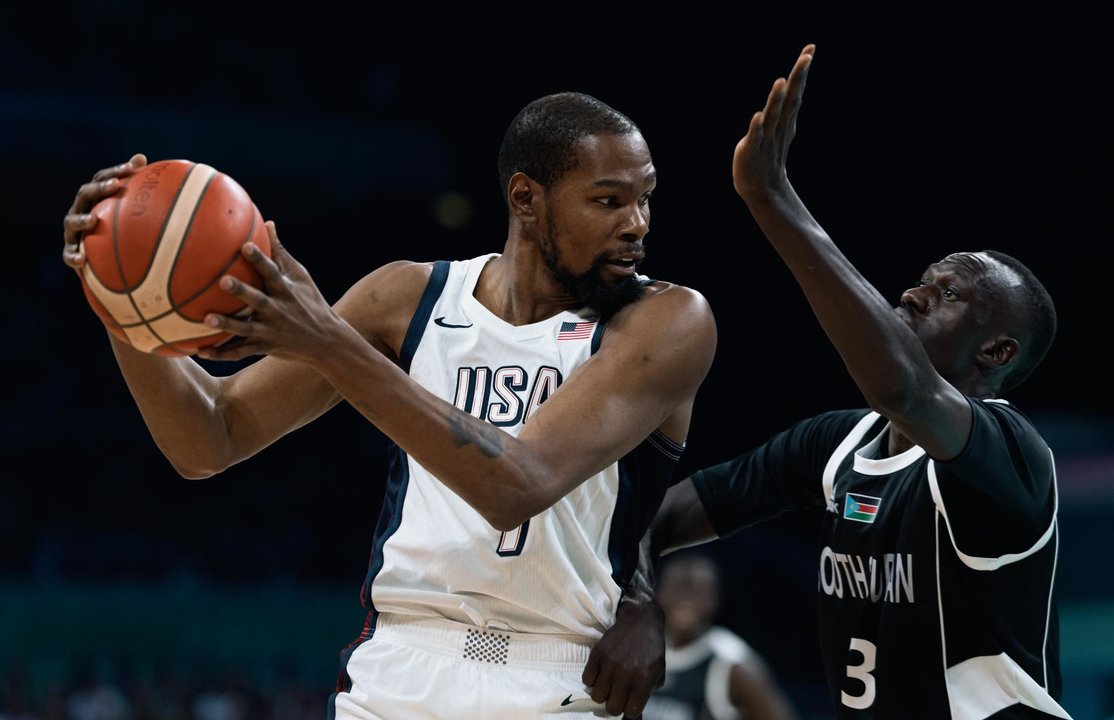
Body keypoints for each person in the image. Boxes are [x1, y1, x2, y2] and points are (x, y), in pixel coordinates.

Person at [60, 91, 717, 719]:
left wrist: (331, 344)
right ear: (526, 200)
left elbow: (518, 482)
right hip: (399, 668)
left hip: (560, 680)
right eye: (609, 201)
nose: (637, 224)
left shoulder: (667, 322)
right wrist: (125, 297)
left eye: (644, 199)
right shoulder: (408, 298)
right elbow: (209, 438)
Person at [604, 44, 1071, 719]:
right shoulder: (834, 447)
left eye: (948, 296)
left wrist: (772, 199)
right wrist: (640, 602)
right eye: (922, 279)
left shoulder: (1012, 458)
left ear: (996, 350)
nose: (911, 294)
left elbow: (903, 391)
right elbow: (654, 518)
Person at [642, 551, 799, 720]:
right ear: (658, 592)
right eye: (679, 588)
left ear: (715, 600)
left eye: (698, 591)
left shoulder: (731, 661)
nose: (686, 599)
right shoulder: (638, 648)